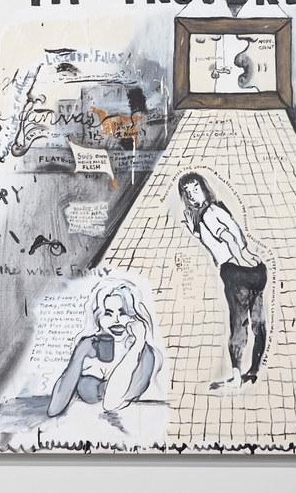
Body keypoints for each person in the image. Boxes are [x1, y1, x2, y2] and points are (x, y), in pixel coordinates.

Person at [178, 172, 268, 388]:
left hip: (236, 272)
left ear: (204, 189)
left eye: (196, 189)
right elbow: (220, 239)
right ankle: (253, 370)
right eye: (188, 193)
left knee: (239, 323)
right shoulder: (214, 210)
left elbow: (228, 238)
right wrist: (195, 232)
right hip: (253, 271)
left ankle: (237, 377)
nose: (192, 196)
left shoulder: (209, 213)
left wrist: (242, 258)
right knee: (258, 322)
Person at [47, 279, 161, 417]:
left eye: (123, 313)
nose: (116, 320)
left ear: (135, 317)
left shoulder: (145, 353)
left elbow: (110, 403)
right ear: (98, 318)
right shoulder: (89, 345)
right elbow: (54, 408)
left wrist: (137, 345)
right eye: (108, 313)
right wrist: (80, 355)